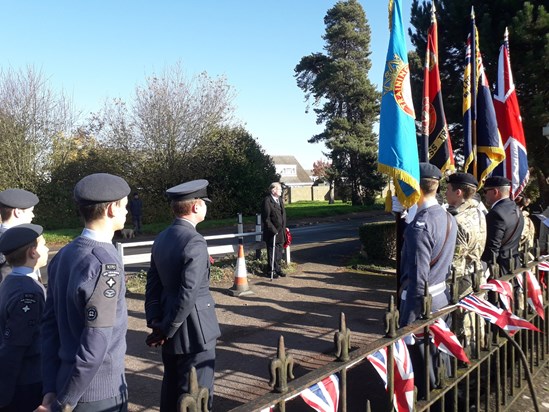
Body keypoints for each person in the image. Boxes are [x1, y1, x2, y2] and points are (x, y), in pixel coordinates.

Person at [37, 173, 130, 412]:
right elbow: (95, 344)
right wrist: (64, 402)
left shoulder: (64, 255)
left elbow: (49, 327)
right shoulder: (104, 264)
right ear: (111, 209)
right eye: (125, 206)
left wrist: (50, 389)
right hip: (96, 394)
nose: (127, 212)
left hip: (65, 382)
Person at [145, 179, 221, 411]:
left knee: (172, 389)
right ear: (196, 207)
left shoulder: (162, 237)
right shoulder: (194, 240)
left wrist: (156, 322)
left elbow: (153, 285)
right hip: (194, 332)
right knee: (198, 395)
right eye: (205, 203)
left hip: (169, 325)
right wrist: (167, 327)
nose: (206, 207)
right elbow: (189, 292)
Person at [399, 163, 457, 398]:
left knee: (423, 372)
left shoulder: (419, 227)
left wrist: (408, 323)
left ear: (415, 187)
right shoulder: (447, 216)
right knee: (439, 363)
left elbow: (418, 279)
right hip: (441, 297)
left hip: (422, 305)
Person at [0, 224, 48, 412]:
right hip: (26, 382)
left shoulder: (10, 281)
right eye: (43, 245)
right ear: (33, 252)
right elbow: (15, 346)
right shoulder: (27, 292)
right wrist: (3, 393)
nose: (47, 250)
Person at [445, 172, 486, 354]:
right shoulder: (478, 211)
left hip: (463, 280)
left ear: (459, 192)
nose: (445, 193)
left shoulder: (459, 221)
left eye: (448, 189)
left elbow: (455, 261)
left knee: (462, 324)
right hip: (477, 272)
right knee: (475, 320)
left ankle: (464, 357)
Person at [481, 176, 524, 274]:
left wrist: (484, 271)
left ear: (495, 192)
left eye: (485, 191)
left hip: (500, 269)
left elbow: (492, 248)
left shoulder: (496, 213)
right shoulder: (515, 208)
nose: (484, 195)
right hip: (514, 263)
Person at [0, 189, 39, 282]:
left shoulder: (25, 236)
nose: (33, 215)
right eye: (30, 211)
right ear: (17, 212)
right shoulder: (6, 241)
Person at [261, 182, 287, 278]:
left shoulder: (279, 200)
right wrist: (273, 230)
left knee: (279, 251)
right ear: (273, 190)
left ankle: (278, 269)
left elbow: (282, 214)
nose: (281, 191)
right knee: (272, 252)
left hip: (281, 231)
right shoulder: (267, 201)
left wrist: (284, 227)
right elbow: (266, 218)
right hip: (272, 232)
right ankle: (271, 271)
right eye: (279, 189)